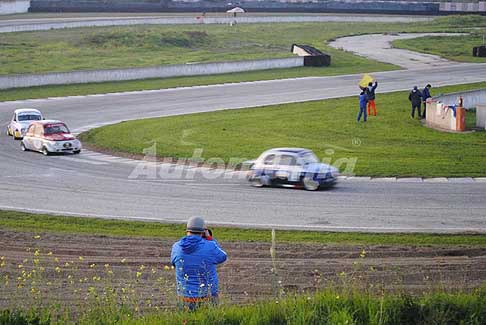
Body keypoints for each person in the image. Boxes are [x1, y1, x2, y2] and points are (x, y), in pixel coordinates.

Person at [171, 216, 227, 311]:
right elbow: (223, 256)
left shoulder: (177, 247)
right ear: (202, 231)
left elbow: (174, 263)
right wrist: (209, 238)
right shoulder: (210, 246)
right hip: (207, 296)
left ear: (187, 230)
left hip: (184, 297)